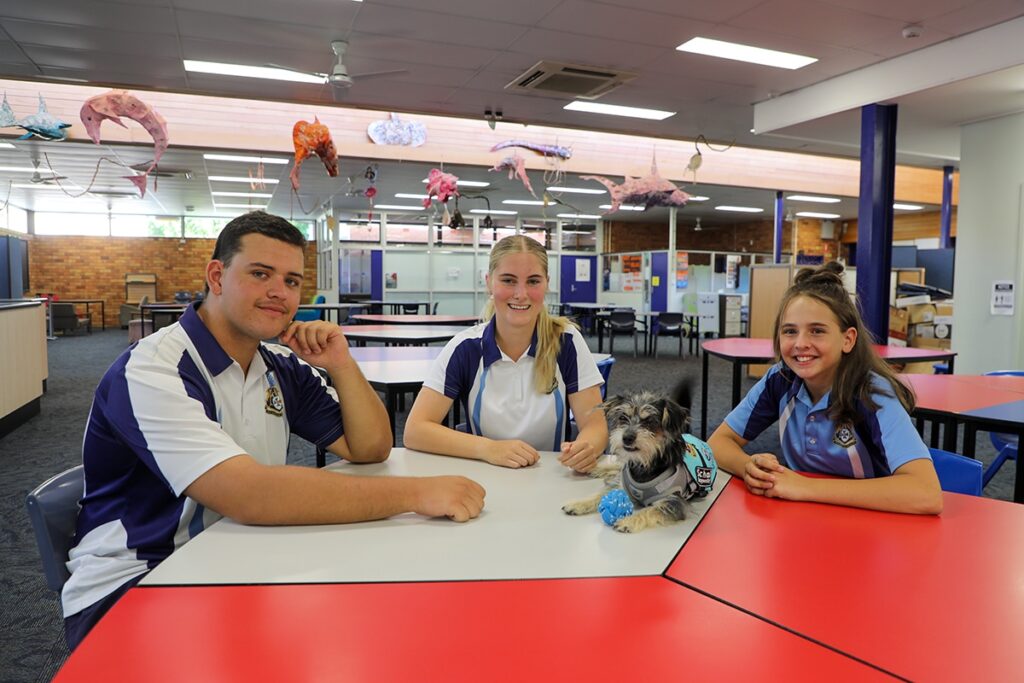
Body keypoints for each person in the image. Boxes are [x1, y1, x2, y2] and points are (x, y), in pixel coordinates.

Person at [62, 211, 485, 649]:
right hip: (139, 581)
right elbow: (249, 495)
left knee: (380, 630)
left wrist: (341, 363)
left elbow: (372, 446)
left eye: (291, 280)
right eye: (261, 274)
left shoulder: (277, 366)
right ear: (217, 276)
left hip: (241, 554)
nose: (279, 293)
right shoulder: (155, 369)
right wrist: (414, 495)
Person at [708, 262, 942, 515]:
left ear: (848, 339)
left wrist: (806, 488)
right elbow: (718, 443)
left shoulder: (871, 393)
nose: (800, 343)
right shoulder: (780, 379)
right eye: (789, 331)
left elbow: (926, 493)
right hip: (805, 518)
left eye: (817, 331)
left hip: (871, 525)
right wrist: (748, 467)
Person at [404, 235, 607, 471]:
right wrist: (487, 449)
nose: (521, 294)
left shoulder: (567, 341)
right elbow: (415, 430)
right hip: (486, 481)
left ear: (546, 284)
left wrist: (585, 448)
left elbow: (596, 426)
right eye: (508, 280)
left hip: (553, 480)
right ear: (489, 282)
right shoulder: (465, 348)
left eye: (533, 281)